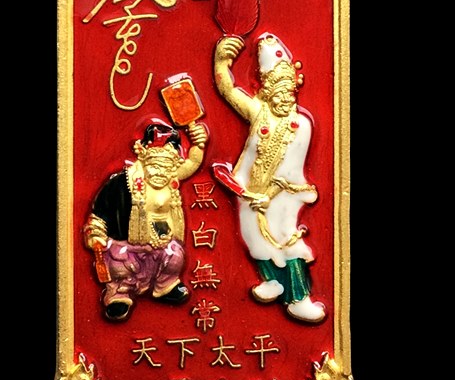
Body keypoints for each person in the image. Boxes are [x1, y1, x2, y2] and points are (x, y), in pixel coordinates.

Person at [213, 32, 325, 322]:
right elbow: (229, 91)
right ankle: (272, 280)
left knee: (286, 239)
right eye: (278, 92)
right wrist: (221, 62)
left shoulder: (301, 125)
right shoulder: (259, 113)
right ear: (266, 92)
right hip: (250, 192)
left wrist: (269, 198)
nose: (284, 98)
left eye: (289, 92)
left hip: (283, 195)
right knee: (254, 237)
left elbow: (290, 170)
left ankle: (299, 297)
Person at [83, 120, 208, 321]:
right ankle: (119, 296)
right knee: (120, 265)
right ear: (144, 162)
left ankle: (165, 286)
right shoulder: (123, 183)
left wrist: (199, 144)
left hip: (162, 242)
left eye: (165, 167)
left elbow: (192, 163)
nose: (159, 173)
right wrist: (96, 234)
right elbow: (100, 212)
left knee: (174, 257)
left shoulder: (170, 179)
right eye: (155, 166)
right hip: (128, 245)